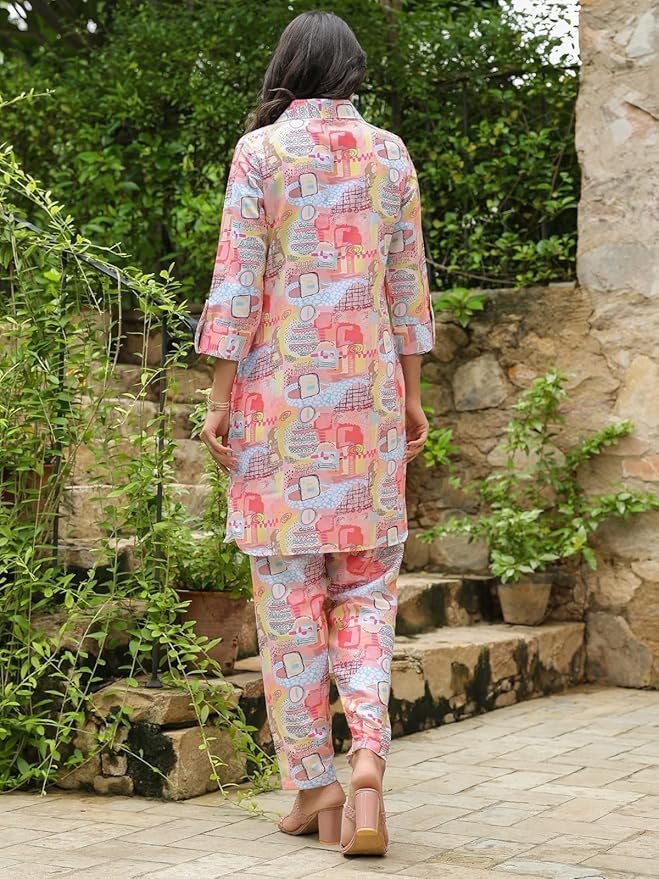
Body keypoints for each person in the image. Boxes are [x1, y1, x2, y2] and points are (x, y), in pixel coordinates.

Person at [196, 9, 435, 857]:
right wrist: (412, 394)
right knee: (365, 594)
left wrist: (219, 396)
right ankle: (366, 759)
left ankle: (313, 785)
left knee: (290, 604)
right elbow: (407, 287)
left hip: (279, 411)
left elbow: (237, 283)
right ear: (353, 73)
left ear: (287, 69)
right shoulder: (390, 154)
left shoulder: (261, 153)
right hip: (369, 405)